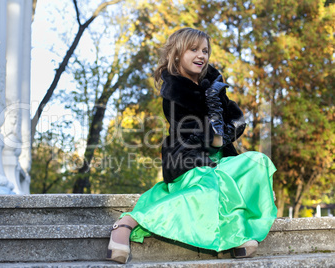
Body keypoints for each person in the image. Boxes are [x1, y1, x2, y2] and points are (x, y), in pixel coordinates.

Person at [106, 27, 277, 264]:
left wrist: (219, 120)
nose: (201, 55)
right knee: (212, 187)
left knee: (258, 162)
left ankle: (238, 232)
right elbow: (199, 133)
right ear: (177, 54)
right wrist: (215, 116)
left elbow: (237, 121)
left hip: (220, 159)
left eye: (205, 50)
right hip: (188, 160)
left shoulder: (213, 83)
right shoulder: (174, 90)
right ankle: (127, 223)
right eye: (194, 49)